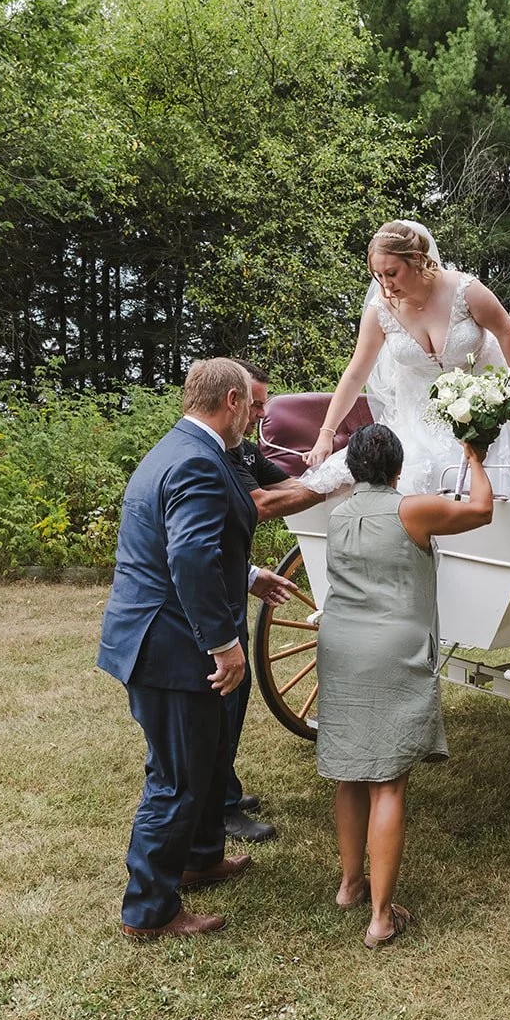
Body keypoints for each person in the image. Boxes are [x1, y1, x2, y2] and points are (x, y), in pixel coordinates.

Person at [96, 357, 297, 939]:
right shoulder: (197, 462)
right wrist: (224, 643)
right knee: (176, 777)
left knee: (205, 760)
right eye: (252, 407)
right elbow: (187, 558)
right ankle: (149, 911)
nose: (254, 419)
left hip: (165, 633)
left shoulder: (182, 448)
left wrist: (250, 573)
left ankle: (200, 858)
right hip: (169, 645)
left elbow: (194, 545)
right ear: (233, 401)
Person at [314, 423, 494, 948]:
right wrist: (473, 455)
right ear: (396, 467)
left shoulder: (339, 512)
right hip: (389, 651)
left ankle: (350, 886)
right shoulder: (411, 509)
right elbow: (482, 509)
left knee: (350, 771)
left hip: (339, 646)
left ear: (352, 469)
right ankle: (380, 917)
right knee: (388, 782)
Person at [300, 220, 510, 495]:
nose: (386, 285)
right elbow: (356, 373)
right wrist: (326, 433)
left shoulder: (465, 291)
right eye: (378, 276)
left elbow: (506, 332)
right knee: (360, 477)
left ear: (417, 260)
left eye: (392, 273)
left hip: (479, 414)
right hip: (416, 422)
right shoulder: (380, 311)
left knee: (471, 482)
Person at [217, 358, 327, 844]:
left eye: (266, 403)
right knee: (219, 700)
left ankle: (224, 786)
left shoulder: (240, 448)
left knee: (234, 698)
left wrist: (330, 478)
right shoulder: (213, 455)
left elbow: (281, 483)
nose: (263, 414)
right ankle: (219, 804)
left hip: (230, 577)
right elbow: (260, 505)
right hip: (209, 594)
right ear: (233, 400)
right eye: (257, 403)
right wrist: (329, 487)